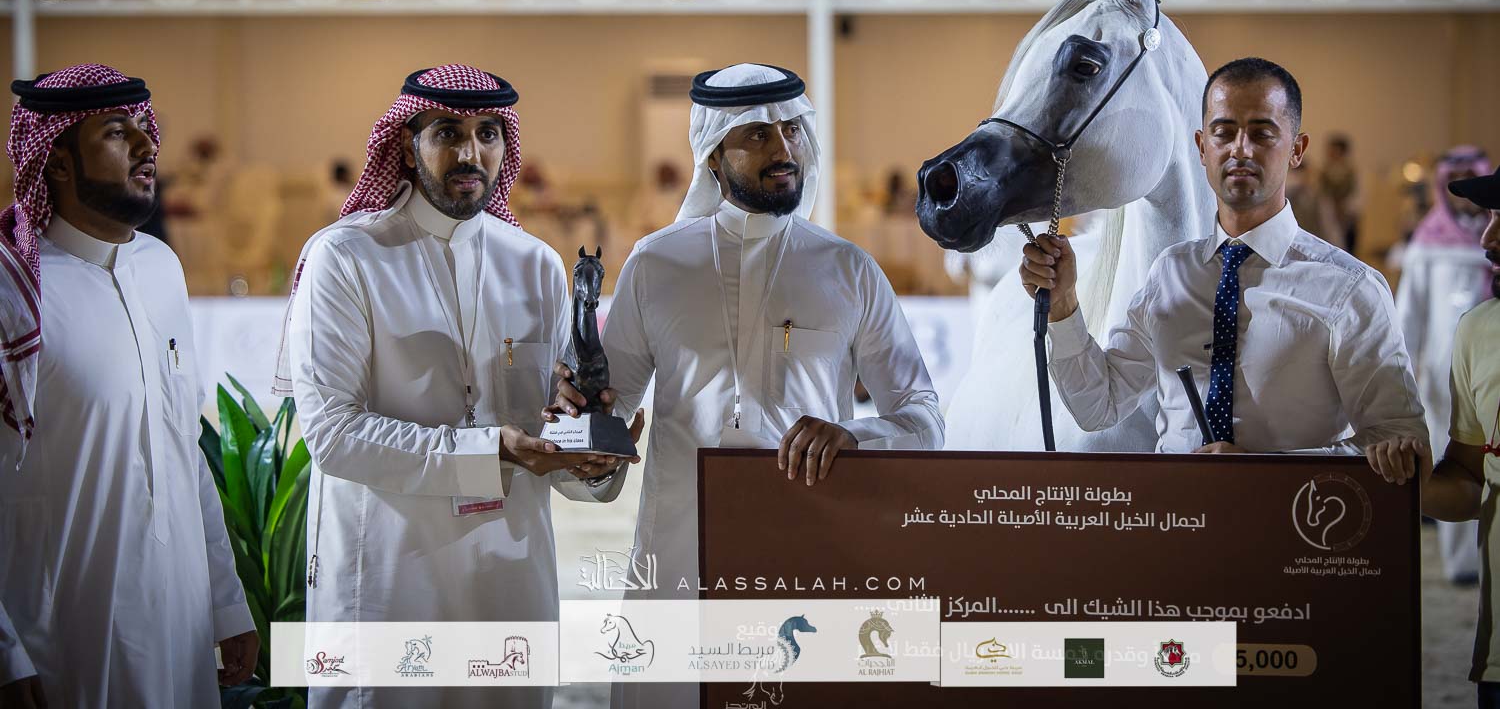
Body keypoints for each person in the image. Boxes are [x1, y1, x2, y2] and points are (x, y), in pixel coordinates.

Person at [549, 63, 943, 709]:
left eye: (792, 130)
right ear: (712, 154)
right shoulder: (656, 264)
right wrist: (585, 445)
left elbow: (923, 419)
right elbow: (600, 430)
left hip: (811, 558)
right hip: (680, 562)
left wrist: (855, 437)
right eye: (758, 135)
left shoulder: (848, 270)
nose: (783, 149)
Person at [276, 65, 640, 709]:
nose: (471, 152)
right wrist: (491, 450)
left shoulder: (534, 264)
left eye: (488, 133)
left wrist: (587, 453)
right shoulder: (346, 257)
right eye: (448, 132)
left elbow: (547, 433)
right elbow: (333, 435)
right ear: (406, 144)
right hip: (392, 579)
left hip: (511, 581)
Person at [1020, 57, 1427, 477]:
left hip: (1289, 516)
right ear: (1202, 147)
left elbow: (1399, 441)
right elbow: (1097, 406)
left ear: (1297, 150)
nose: (1240, 149)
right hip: (1175, 513)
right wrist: (1063, 306)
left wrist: (1261, 472)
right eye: (1224, 132)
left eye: (1262, 133)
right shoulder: (1170, 274)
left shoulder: (1349, 288)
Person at [0, 65, 256, 708]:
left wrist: (226, 602)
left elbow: (183, 447)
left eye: (144, 126)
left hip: (181, 620)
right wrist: (4, 650)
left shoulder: (160, 266)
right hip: (63, 633)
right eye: (118, 132)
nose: (147, 146)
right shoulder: (13, 291)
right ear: (58, 161)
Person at [1419, 164, 1500, 707]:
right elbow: (1471, 480)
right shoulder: (1478, 329)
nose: (1488, 239)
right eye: (1490, 216)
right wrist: (1392, 481)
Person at [1397, 146, 1492, 582]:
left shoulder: (1488, 237)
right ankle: (1463, 564)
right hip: (1442, 373)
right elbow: (1409, 316)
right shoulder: (1428, 243)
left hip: (1491, 368)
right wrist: (1406, 373)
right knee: (1457, 461)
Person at [1319, 133, 1361, 254]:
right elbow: (1321, 193)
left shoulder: (1352, 172)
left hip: (1346, 216)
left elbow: (1356, 195)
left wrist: (1345, 208)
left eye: (1335, 151)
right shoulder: (1323, 172)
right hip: (1328, 213)